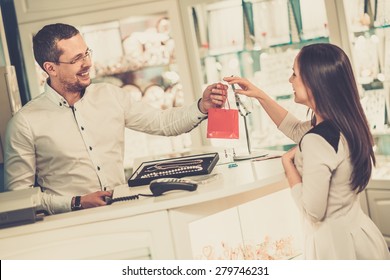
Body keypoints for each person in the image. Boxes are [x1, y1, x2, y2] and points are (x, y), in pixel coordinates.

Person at [4, 23, 227, 215]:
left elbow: (162, 123)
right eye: (76, 59)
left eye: (86, 53)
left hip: (123, 211)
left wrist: (202, 106)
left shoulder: (111, 96)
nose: (88, 63)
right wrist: (76, 203)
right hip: (71, 225)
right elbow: (20, 199)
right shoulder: (25, 123)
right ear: (50, 68)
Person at [224, 43, 390, 260]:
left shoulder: (316, 139)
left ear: (314, 81)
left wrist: (288, 166)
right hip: (360, 236)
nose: (290, 80)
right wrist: (260, 95)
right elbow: (294, 129)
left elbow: (313, 211)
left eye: (294, 74)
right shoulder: (347, 123)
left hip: (336, 247)